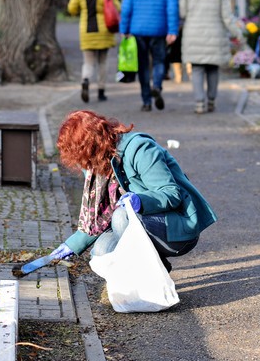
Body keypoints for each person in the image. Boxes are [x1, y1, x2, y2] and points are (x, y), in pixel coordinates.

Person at [48, 110, 217, 272]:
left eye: (81, 156)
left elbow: (171, 194)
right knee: (100, 252)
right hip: (140, 223)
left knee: (122, 216)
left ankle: (152, 276)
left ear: (91, 146)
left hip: (176, 227)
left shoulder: (140, 149)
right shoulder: (96, 163)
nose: (82, 165)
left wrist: (140, 200)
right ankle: (151, 273)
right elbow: (99, 217)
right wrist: (72, 245)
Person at [179, 0, 243, 114]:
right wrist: (238, 33)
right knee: (213, 69)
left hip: (193, 35)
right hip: (216, 35)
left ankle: (199, 102)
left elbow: (182, 13)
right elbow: (227, 17)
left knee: (197, 70)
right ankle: (212, 101)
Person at [119, 0, 179, 111]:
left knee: (143, 65)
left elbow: (126, 8)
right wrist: (172, 30)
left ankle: (146, 101)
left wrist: (124, 29)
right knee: (159, 60)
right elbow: (172, 8)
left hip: (137, 29)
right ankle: (157, 86)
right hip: (159, 30)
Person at [68, 0, 120, 103]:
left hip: (86, 30)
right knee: (102, 61)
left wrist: (82, 10)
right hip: (104, 30)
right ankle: (101, 91)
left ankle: (85, 80)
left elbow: (71, 8)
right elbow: (117, 6)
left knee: (88, 62)